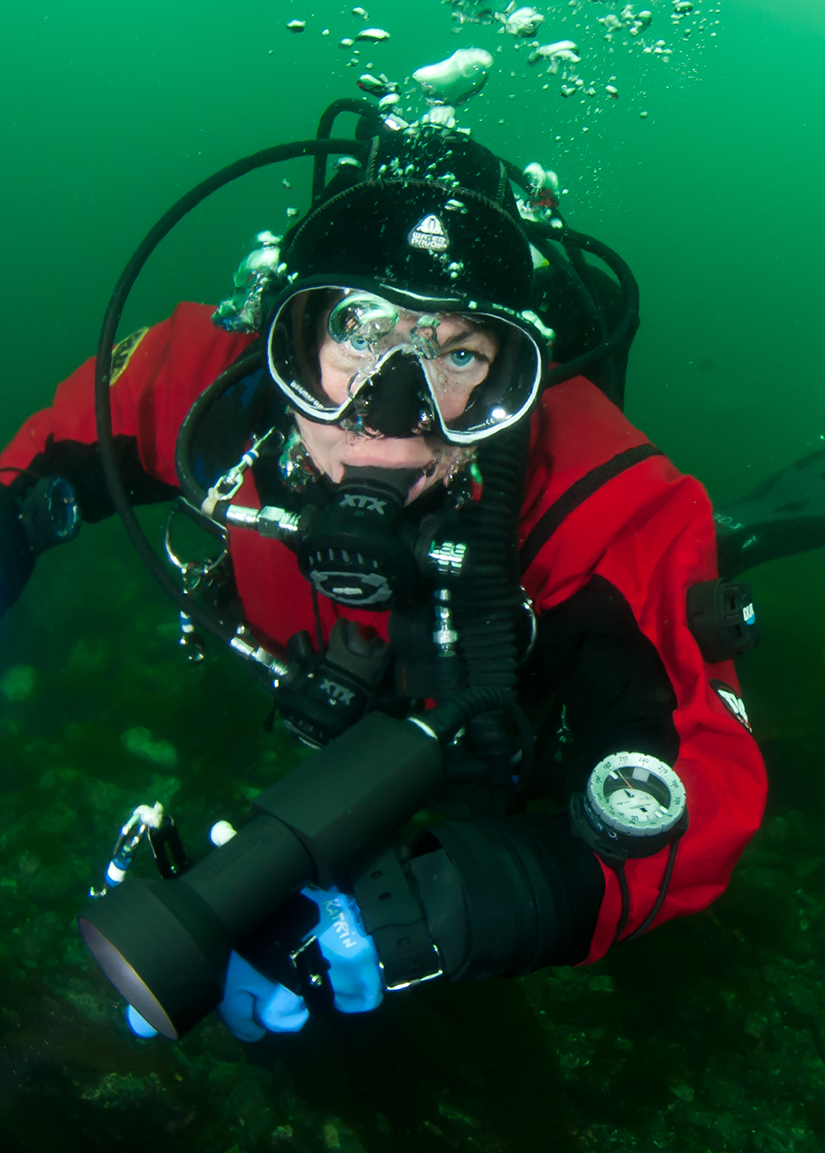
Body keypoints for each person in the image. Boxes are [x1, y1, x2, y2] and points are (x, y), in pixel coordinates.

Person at [0, 112, 766, 1040]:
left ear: (510, 381)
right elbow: (36, 463)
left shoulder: (611, 501)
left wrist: (465, 902)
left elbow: (708, 783)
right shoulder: (201, 385)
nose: (394, 417)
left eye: (457, 354)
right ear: (290, 336)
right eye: (360, 330)